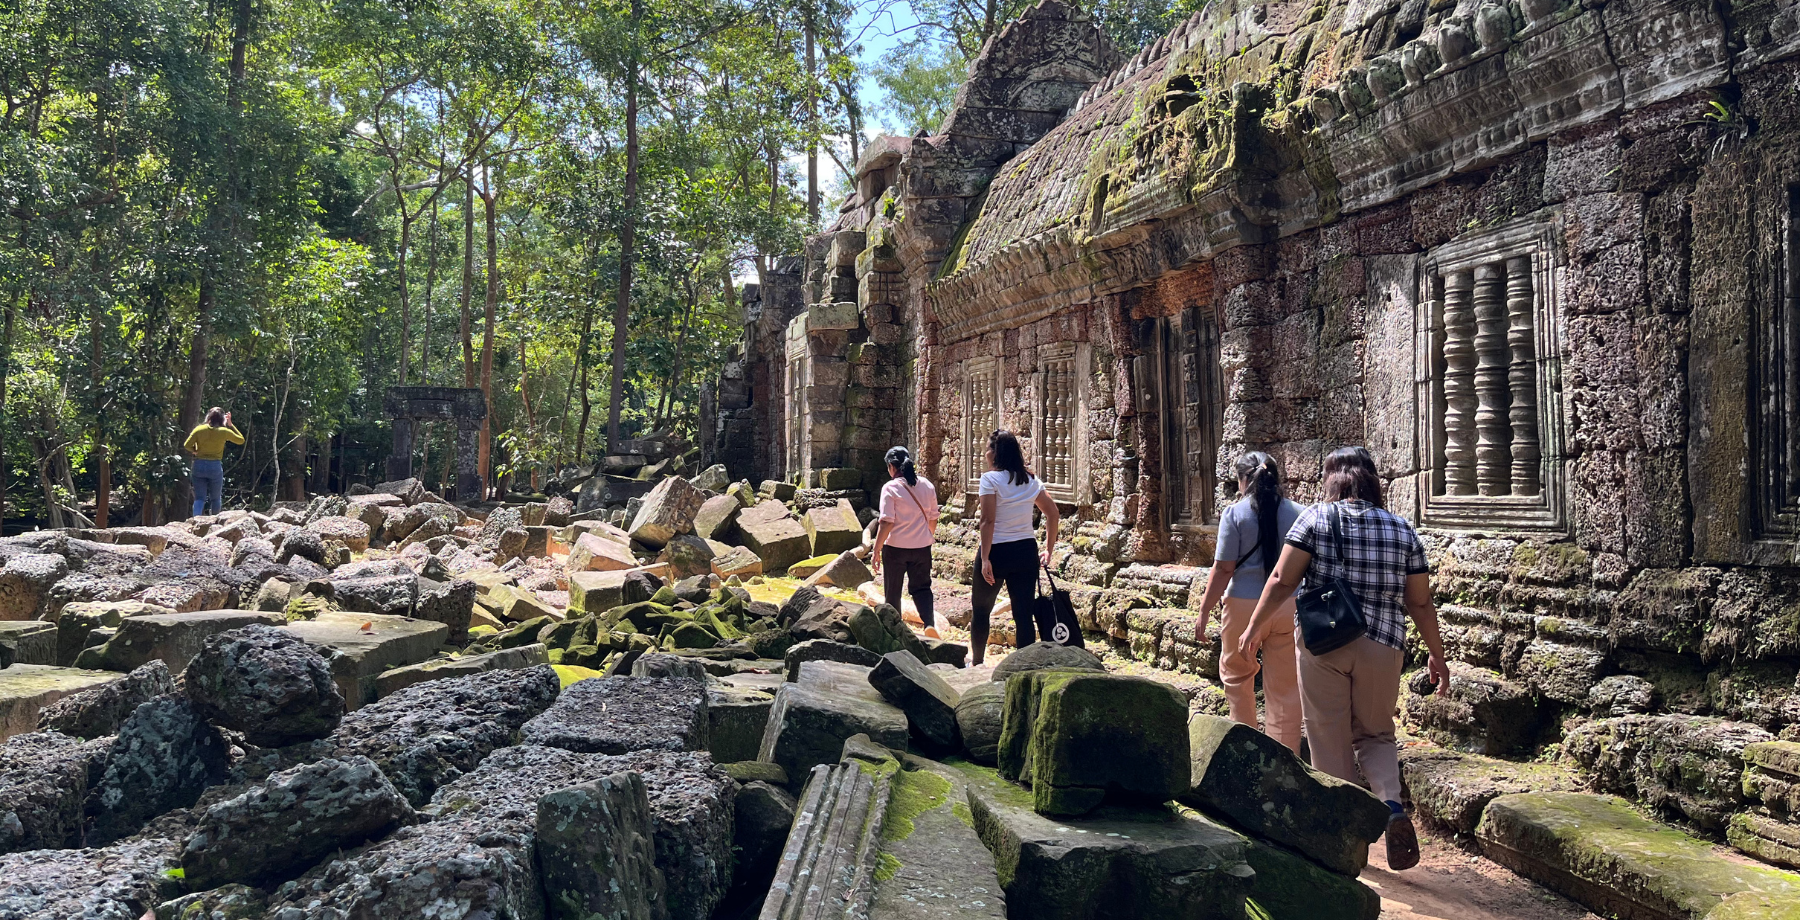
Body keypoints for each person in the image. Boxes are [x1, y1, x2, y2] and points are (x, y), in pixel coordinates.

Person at [1228, 446, 1451, 871]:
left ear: (1331, 480)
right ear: (1372, 481)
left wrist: (1254, 627)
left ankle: (1343, 835)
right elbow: (1420, 603)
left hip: (1323, 642)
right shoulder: (1402, 530)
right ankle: (1392, 807)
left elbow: (1281, 578)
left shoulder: (1316, 518)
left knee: (1328, 738)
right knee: (1377, 735)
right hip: (1383, 644)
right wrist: (1437, 657)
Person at [1193, 451, 1305, 753]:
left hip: (1243, 605)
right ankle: (1286, 757)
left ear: (1243, 480)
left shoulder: (1235, 514)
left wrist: (1203, 612)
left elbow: (1224, 568)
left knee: (1237, 675)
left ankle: (1247, 749)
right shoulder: (1299, 512)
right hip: (1287, 604)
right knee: (1285, 686)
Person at [970, 429, 1060, 666]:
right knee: (1023, 614)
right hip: (1025, 552)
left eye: (988, 449)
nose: (985, 453)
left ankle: (977, 662)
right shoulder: (1031, 480)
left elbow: (987, 520)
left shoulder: (989, 480)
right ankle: (1025, 667)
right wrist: (1048, 549)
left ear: (996, 453)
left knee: (981, 609)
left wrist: (986, 557)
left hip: (997, 550)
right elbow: (1053, 514)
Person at [870, 446, 941, 638]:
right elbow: (934, 517)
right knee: (922, 588)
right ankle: (929, 624)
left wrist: (876, 549)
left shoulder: (890, 488)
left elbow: (886, 522)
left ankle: (895, 631)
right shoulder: (927, 485)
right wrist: (926, 536)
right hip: (922, 548)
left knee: (893, 591)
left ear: (892, 467)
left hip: (896, 549)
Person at [184, 407, 244, 517]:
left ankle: (195, 521)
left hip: (199, 465)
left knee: (199, 498)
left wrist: (195, 451)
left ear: (208, 417)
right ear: (222, 419)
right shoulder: (224, 432)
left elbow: (186, 445)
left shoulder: (199, 429)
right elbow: (241, 440)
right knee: (215, 498)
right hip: (215, 466)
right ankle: (215, 522)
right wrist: (230, 425)